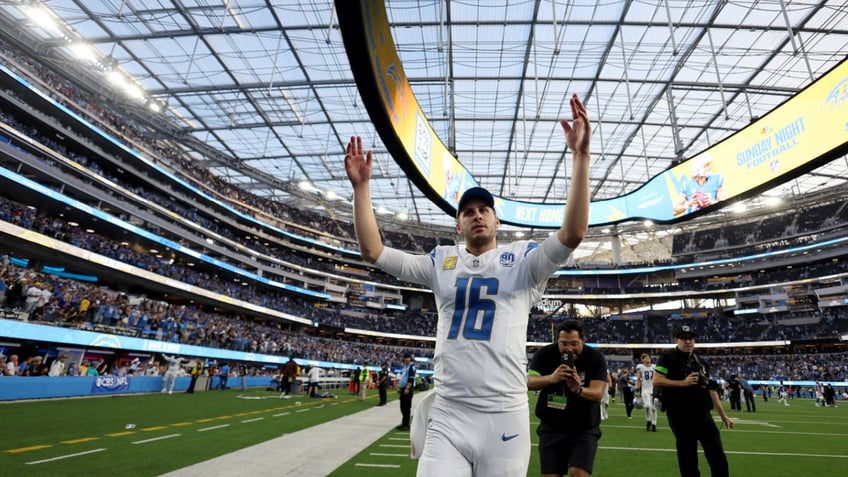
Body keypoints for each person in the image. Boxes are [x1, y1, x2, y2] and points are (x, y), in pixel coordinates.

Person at [344, 93, 590, 476]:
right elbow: (373, 251)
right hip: (449, 412)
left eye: (484, 211)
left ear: (496, 222)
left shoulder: (523, 261)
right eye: (468, 212)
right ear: (458, 225)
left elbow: (573, 233)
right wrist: (361, 189)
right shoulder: (441, 261)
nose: (477, 216)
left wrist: (580, 157)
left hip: (504, 414)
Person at [527, 320, 607, 477]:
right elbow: (529, 382)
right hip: (551, 426)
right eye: (564, 344)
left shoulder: (595, 358)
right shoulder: (544, 354)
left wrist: (578, 389)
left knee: (578, 472)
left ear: (583, 340)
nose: (569, 349)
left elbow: (597, 393)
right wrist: (551, 378)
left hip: (584, 427)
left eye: (574, 344)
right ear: (557, 341)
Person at [653, 325, 734, 477]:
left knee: (718, 457)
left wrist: (723, 415)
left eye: (690, 338)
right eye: (683, 338)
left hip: (703, 414)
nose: (688, 341)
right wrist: (682, 383)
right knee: (688, 460)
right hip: (680, 415)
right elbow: (656, 380)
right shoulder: (667, 357)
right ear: (676, 340)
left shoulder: (701, 361)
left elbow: (711, 389)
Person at [636, 353, 658, 432]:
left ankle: (654, 424)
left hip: (653, 389)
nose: (648, 358)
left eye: (648, 357)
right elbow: (638, 379)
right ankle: (648, 420)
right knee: (648, 406)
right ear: (642, 360)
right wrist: (637, 390)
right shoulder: (640, 367)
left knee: (654, 408)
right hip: (645, 389)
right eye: (646, 357)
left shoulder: (654, 367)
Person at [396, 353, 415, 431]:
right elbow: (403, 378)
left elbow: (411, 379)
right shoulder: (405, 367)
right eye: (405, 358)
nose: (406, 359)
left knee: (406, 408)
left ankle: (406, 425)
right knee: (402, 407)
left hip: (407, 389)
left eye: (408, 358)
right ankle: (404, 423)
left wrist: (407, 388)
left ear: (410, 358)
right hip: (403, 388)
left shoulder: (411, 367)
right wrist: (400, 388)